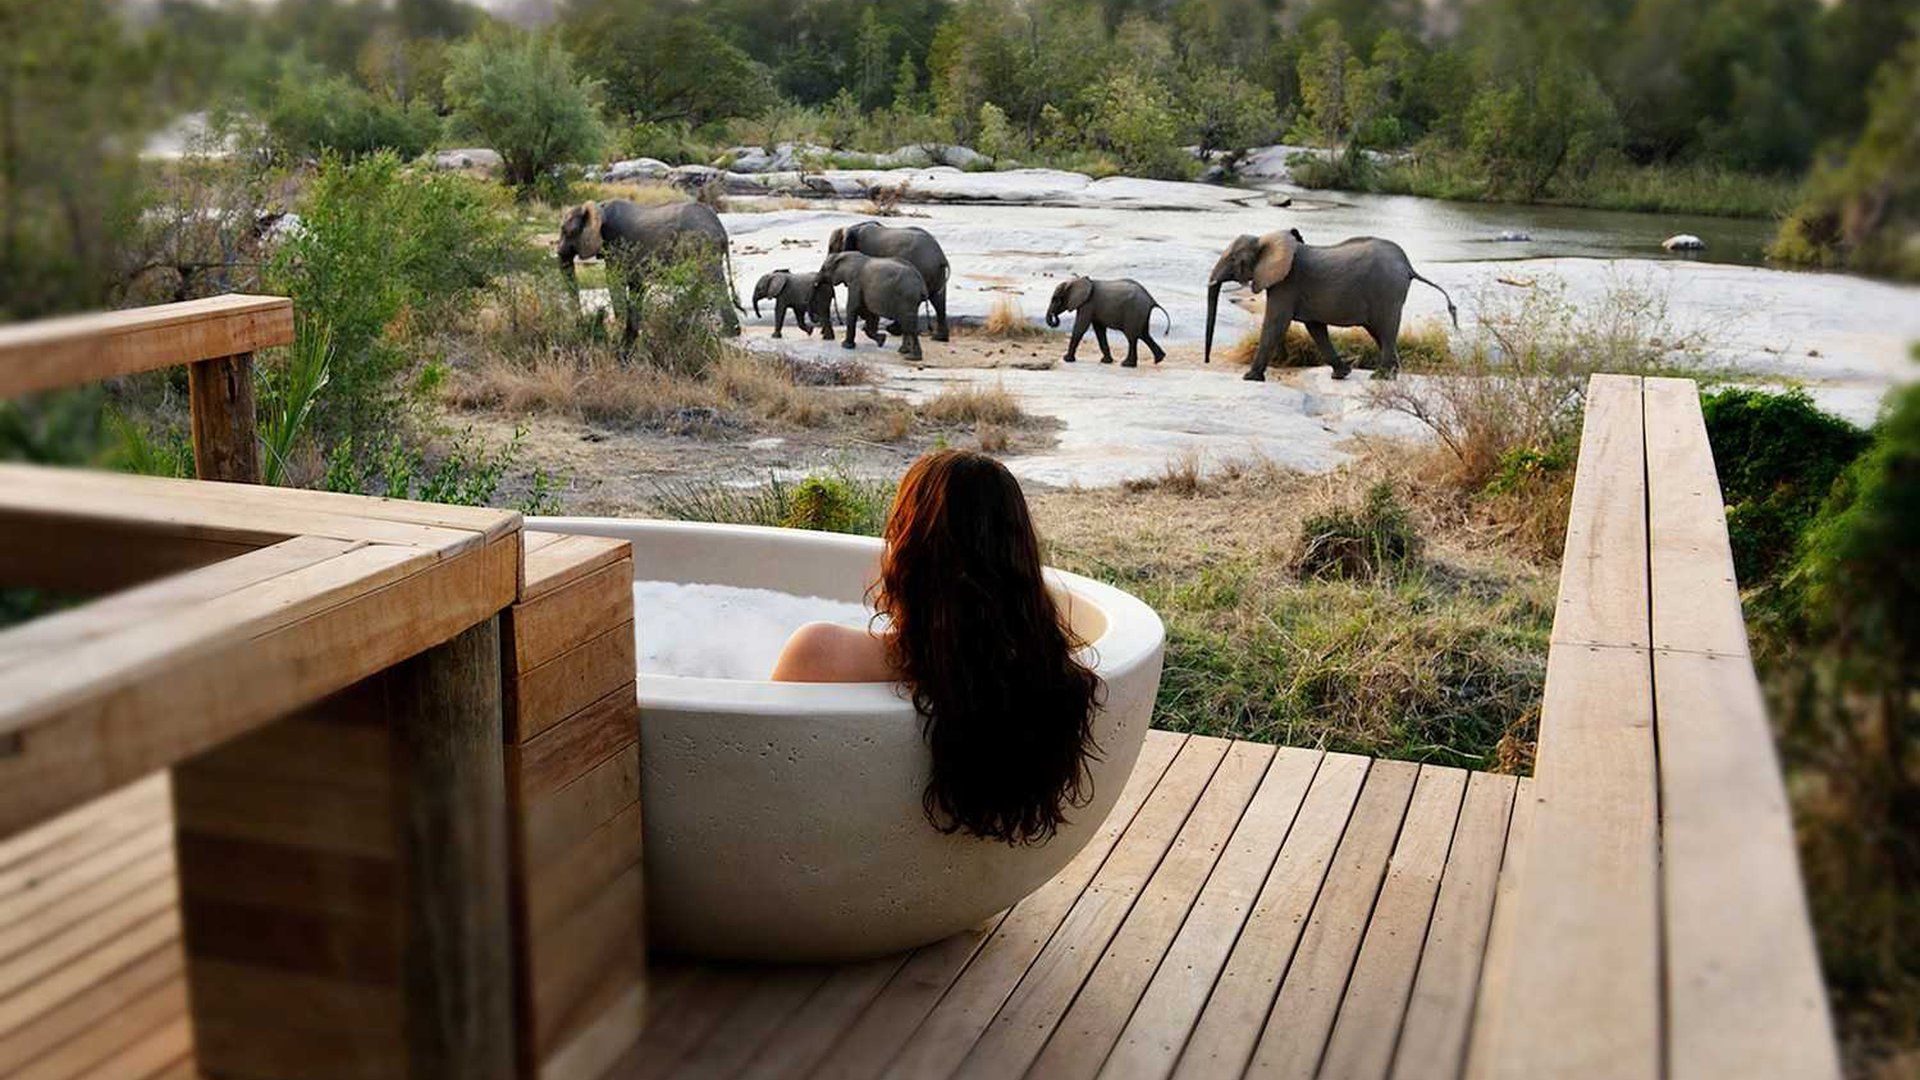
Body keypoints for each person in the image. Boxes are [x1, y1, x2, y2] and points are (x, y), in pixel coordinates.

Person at [772, 449, 1103, 844]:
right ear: (1018, 555)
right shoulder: (1046, 680)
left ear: (911, 545)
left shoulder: (820, 652)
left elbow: (753, 766)